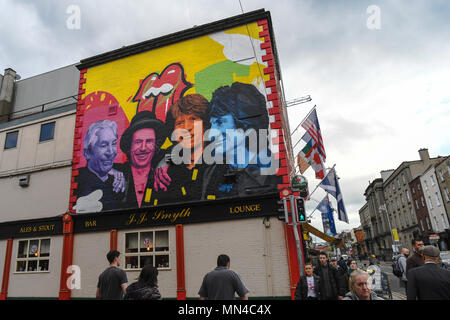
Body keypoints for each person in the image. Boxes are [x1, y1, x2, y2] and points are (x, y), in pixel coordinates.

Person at [202, 82, 280, 200]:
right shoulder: (212, 174)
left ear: (246, 124)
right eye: (212, 124)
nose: (212, 133)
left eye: (220, 122)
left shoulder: (275, 173)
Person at [156, 94, 210, 204]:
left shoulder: (219, 159)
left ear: (205, 123)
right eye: (179, 123)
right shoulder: (166, 165)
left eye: (193, 119)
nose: (187, 128)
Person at [75, 120, 125, 212]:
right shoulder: (79, 180)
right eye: (103, 145)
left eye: (113, 143)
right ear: (87, 153)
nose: (111, 152)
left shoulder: (122, 171)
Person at [119, 111, 166, 208]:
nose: (143, 148)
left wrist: (166, 161)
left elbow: (179, 151)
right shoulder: (118, 173)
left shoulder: (164, 169)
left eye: (149, 141)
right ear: (130, 145)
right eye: (138, 142)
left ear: (155, 145)